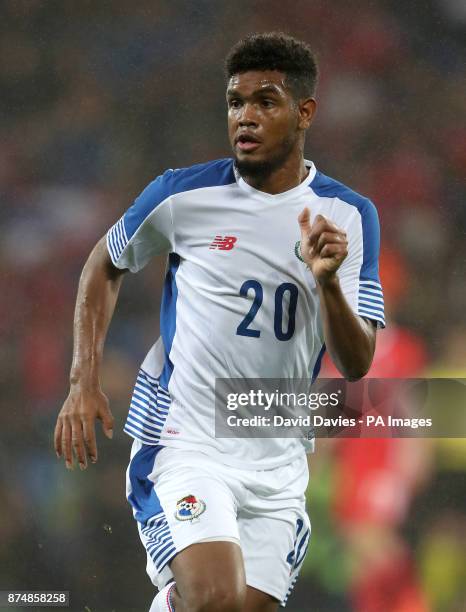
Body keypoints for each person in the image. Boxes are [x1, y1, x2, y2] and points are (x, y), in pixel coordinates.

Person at [54, 32, 385, 612]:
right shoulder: (183, 195)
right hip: (187, 438)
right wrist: (82, 381)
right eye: (236, 103)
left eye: (265, 102)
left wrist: (328, 282)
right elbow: (103, 264)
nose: (245, 118)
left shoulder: (350, 217)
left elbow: (358, 364)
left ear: (304, 112)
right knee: (213, 598)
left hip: (278, 457)